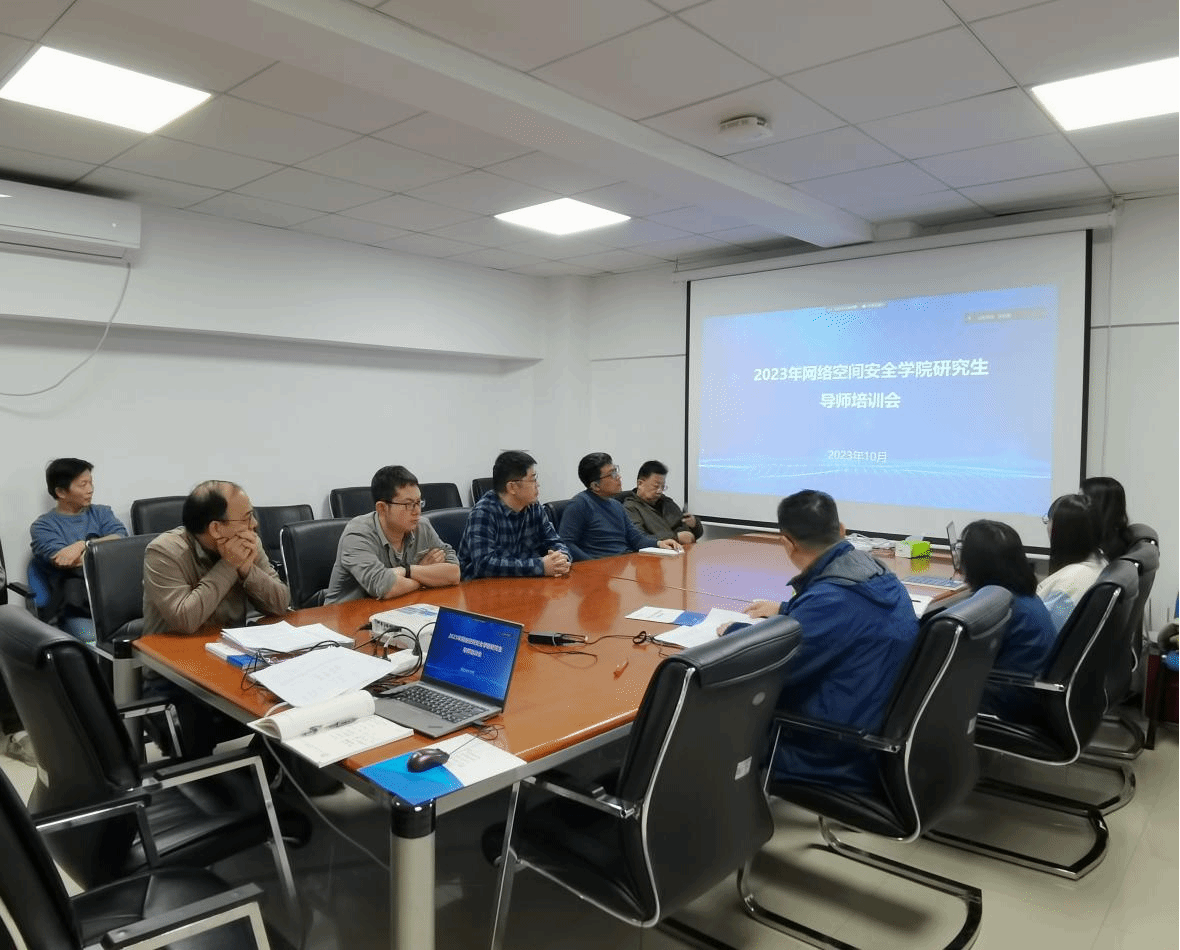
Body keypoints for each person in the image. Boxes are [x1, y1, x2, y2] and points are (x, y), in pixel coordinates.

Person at [731, 490, 919, 792]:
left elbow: (771, 666)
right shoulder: (876, 571)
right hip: (874, 724)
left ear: (787, 542)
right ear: (842, 530)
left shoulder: (830, 600)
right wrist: (787, 609)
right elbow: (842, 620)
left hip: (830, 749)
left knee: (713, 714)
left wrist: (733, 632)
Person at [143, 480, 289, 636]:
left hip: (233, 644)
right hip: (172, 648)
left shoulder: (247, 542)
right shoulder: (164, 552)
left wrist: (248, 571)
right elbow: (184, 621)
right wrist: (229, 564)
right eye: (247, 518)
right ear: (216, 528)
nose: (254, 523)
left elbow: (280, 605)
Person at [958, 519, 1058, 719]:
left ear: (977, 564)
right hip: (1031, 691)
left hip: (1011, 698)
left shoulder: (999, 605)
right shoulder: (1022, 594)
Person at [324, 465, 459, 603]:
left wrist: (408, 570)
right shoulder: (357, 534)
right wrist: (425, 575)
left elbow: (454, 573)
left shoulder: (421, 526)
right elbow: (384, 587)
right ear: (382, 508)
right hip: (346, 612)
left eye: (419, 502)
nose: (417, 511)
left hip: (399, 606)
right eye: (408, 504)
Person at [29, 458, 127, 644]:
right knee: (94, 642)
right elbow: (64, 561)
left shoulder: (102, 513)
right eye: (83, 484)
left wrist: (82, 545)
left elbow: (121, 541)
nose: (90, 489)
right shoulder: (43, 526)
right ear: (61, 492)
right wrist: (104, 551)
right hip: (75, 607)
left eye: (91, 482)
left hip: (115, 600)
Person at [458, 450, 570, 579]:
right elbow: (484, 565)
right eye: (532, 479)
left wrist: (561, 559)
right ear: (512, 487)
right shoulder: (483, 513)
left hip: (525, 583)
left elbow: (555, 541)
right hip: (482, 586)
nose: (537, 484)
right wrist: (540, 566)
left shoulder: (534, 507)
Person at [559, 453, 680, 561]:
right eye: (612, 474)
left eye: (616, 471)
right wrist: (591, 564)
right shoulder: (579, 504)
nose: (618, 477)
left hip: (623, 563)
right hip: (600, 567)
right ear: (595, 486)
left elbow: (636, 538)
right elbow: (566, 543)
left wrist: (659, 543)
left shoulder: (616, 505)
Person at [1037, 493, 1106, 632]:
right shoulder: (1102, 562)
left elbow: (1047, 631)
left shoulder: (1064, 589)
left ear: (1059, 532)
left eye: (1049, 520)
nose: (1047, 526)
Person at [622, 460, 702, 546]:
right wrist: (675, 537)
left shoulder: (667, 502)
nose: (659, 491)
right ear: (640, 484)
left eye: (662, 487)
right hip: (655, 553)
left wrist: (694, 525)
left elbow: (693, 533)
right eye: (656, 486)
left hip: (683, 550)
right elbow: (640, 539)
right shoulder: (630, 508)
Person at [1081, 475, 1134, 560]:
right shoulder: (1118, 537)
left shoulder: (1101, 550)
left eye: (1082, 499)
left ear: (1099, 504)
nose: (1075, 503)